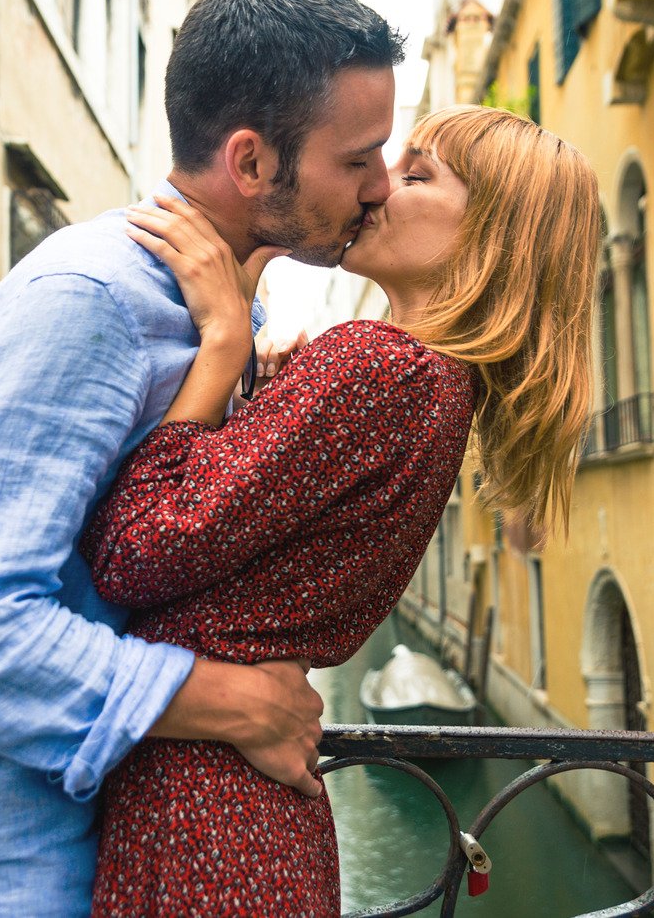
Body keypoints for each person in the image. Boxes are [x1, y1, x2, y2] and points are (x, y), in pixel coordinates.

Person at [0, 0, 404, 917]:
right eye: (359, 159)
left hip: (121, 862)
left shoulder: (231, 313)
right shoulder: (90, 302)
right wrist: (232, 701)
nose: (381, 186)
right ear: (253, 162)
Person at [81, 104, 602, 915]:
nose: (382, 185)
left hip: (203, 818)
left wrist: (222, 340)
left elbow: (135, 550)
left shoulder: (375, 364)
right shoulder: (437, 386)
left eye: (420, 174)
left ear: (491, 237)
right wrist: (272, 398)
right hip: (251, 811)